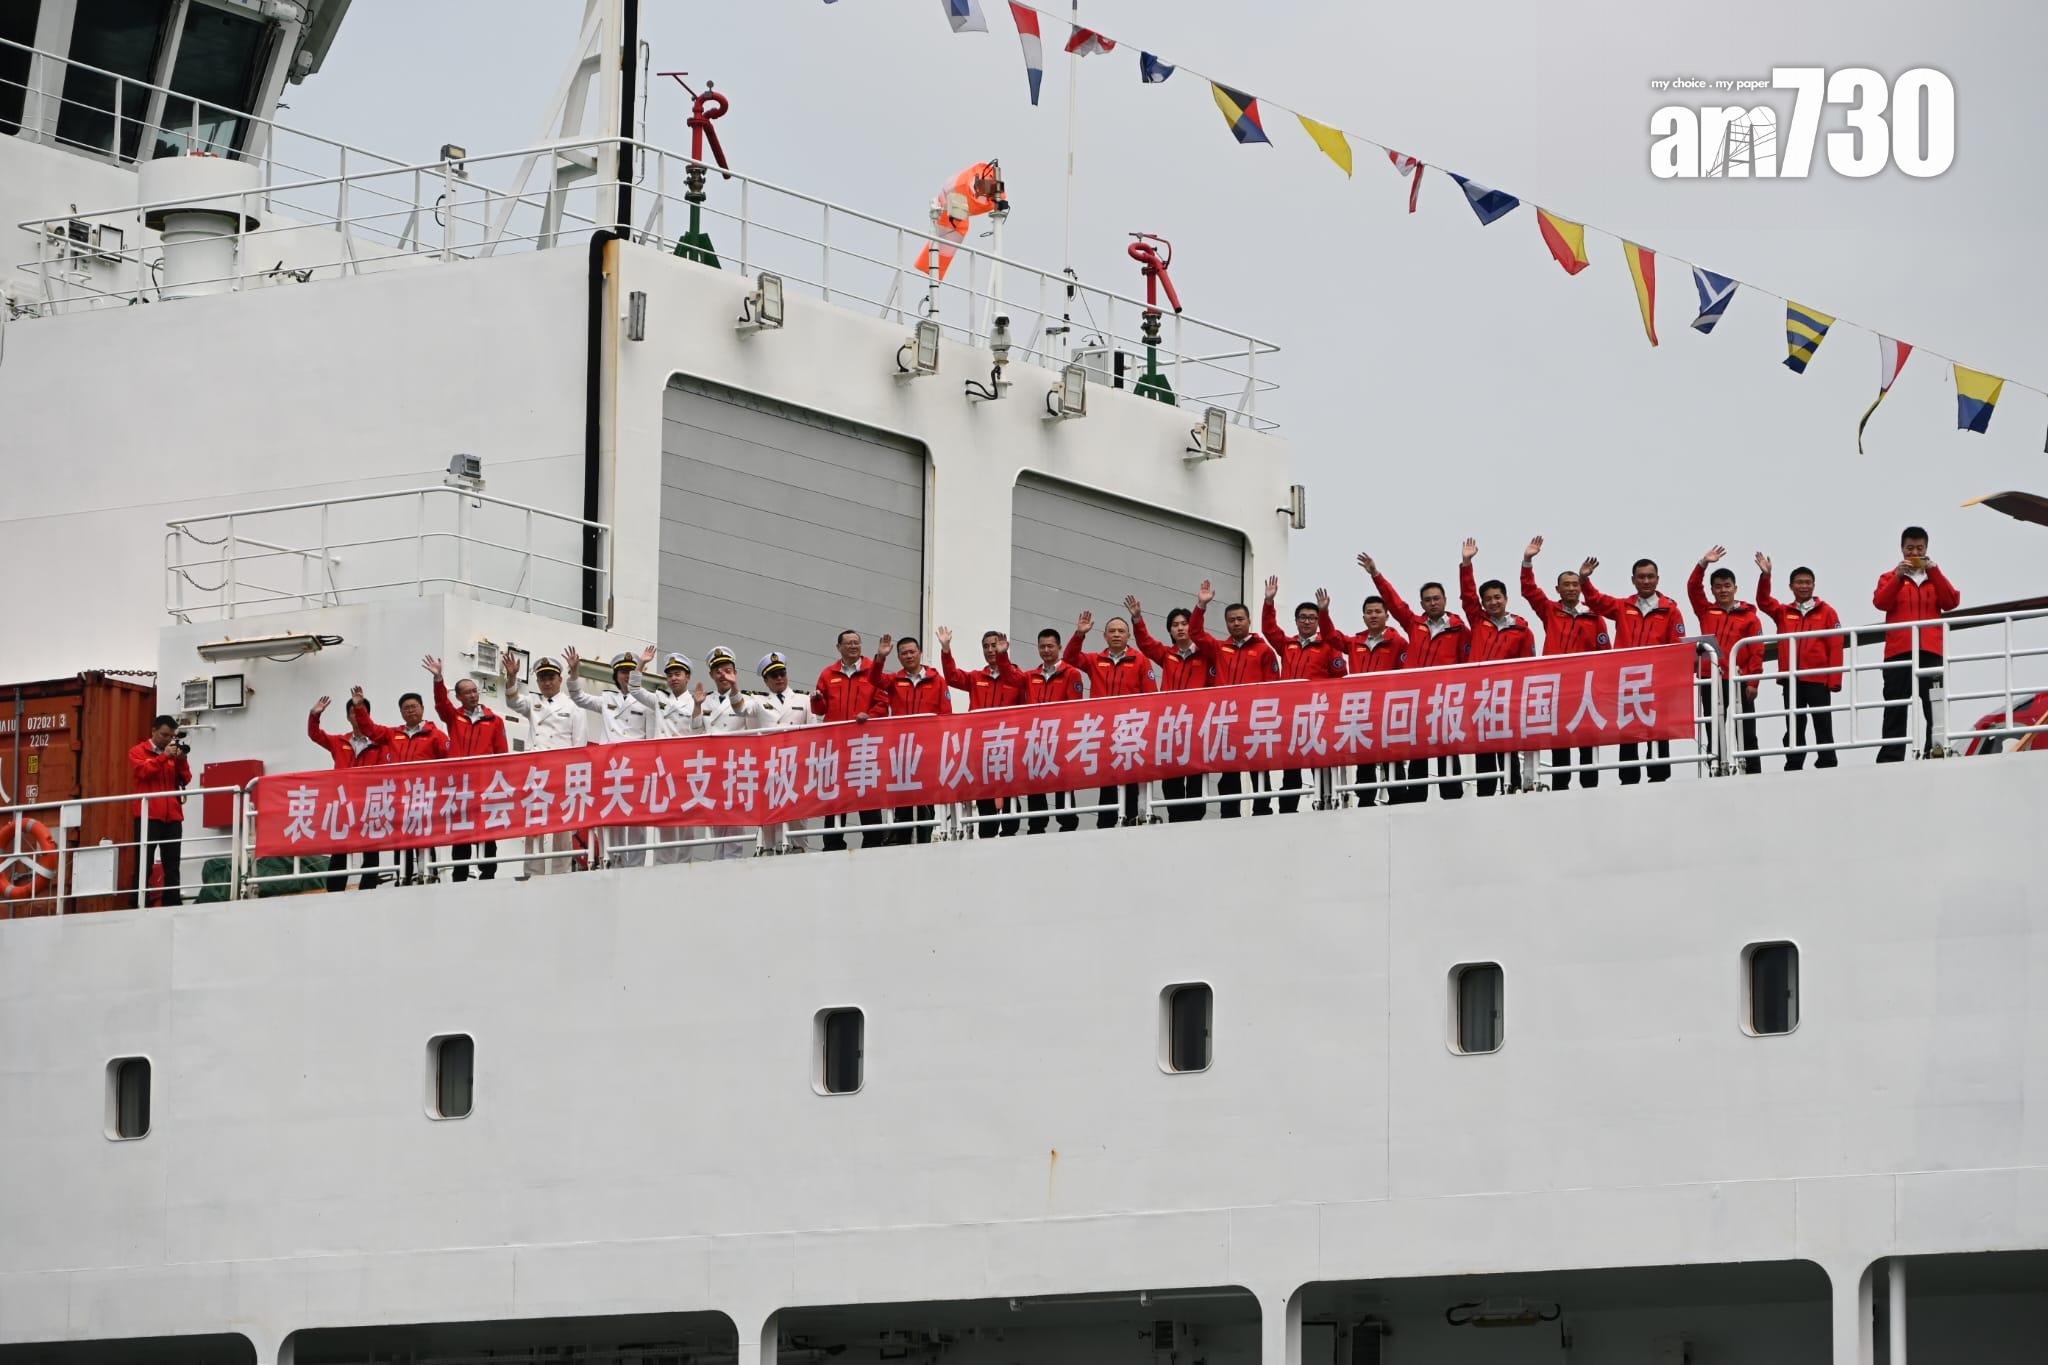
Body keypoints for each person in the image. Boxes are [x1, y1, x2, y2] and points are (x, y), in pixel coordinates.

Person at [1363, 551, 1471, 802]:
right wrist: (1376, 574)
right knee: (1416, 748)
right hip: (1417, 700)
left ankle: (1452, 795)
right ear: (1422, 604)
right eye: (1427, 600)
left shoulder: (1459, 630)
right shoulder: (1414, 625)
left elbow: (1466, 664)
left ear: (1445, 600)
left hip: (1445, 700)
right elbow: (1395, 603)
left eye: (1436, 598)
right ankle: (1416, 797)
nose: (1432, 603)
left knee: (1447, 748)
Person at [1578, 556, 1687, 783]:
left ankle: (1659, 777)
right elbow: (1596, 601)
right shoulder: (1622, 606)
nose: (1646, 581)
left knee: (1658, 730)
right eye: (1641, 577)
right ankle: (1628, 779)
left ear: (1658, 579)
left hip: (1657, 683)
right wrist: (1585, 580)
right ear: (1633, 580)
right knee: (1628, 730)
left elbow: (1676, 648)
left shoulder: (1670, 610)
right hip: (1627, 681)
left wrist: (1673, 683)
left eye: (1650, 577)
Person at [1520, 537, 1609, 790]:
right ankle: (1560, 787)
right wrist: (1527, 561)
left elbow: (1606, 654)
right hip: (1557, 688)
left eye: (1575, 584)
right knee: (1560, 738)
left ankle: (1589, 787)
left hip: (1586, 689)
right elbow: (1529, 591)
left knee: (1587, 740)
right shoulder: (1550, 611)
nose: (1571, 588)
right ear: (1557, 589)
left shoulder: (1594, 617)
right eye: (1566, 585)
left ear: (1581, 588)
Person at [1188, 586, 1282, 816]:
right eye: (1231, 620)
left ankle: (1262, 811)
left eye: (1240, 619)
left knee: (1259, 769)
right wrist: (1201, 605)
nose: (1236, 623)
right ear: (1226, 624)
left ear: (1249, 621)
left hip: (1254, 720)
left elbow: (1273, 687)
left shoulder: (1264, 650)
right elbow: (1196, 633)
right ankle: (1229, 813)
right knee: (1229, 771)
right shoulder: (1220, 649)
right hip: (1226, 721)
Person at [1874, 525, 1960, 763]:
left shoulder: (1934, 579)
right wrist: (1898, 577)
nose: (1914, 553)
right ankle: (1891, 756)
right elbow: (1881, 602)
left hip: (1930, 650)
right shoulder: (1888, 577)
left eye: (1919, 548)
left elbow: (1951, 601)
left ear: (1926, 548)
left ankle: (1934, 750)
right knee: (1896, 705)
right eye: (1910, 548)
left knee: (1934, 704)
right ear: (1902, 549)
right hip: (1898, 651)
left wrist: (1935, 571)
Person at [1458, 540, 1537, 795]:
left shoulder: (1521, 630)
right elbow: (1467, 596)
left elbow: (1527, 667)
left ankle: (1512, 788)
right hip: (1479, 695)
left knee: (1507, 745)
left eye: (1497, 597)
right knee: (1483, 746)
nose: (1493, 602)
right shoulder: (1478, 620)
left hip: (1506, 696)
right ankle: (1485, 792)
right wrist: (1466, 563)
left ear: (1505, 598)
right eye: (1488, 599)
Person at [1130, 589, 1217, 823]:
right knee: (1171, 774)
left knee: (1196, 774)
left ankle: (1195, 817)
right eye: (1175, 625)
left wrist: (1201, 606)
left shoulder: (1206, 654)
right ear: (1170, 630)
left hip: (1197, 725)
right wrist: (1137, 619)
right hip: (1170, 726)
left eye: (1184, 623)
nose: (1180, 628)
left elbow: (1203, 636)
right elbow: (1146, 643)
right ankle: (1175, 816)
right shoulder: (1167, 655)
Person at [1064, 610, 1157, 827]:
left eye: (1121, 631)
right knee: (1106, 779)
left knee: (1131, 779)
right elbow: (1069, 658)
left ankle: (1132, 821)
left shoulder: (1141, 661)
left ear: (1128, 636)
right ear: (1105, 636)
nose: (1116, 634)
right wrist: (1079, 634)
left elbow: (1151, 696)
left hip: (1131, 730)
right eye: (1112, 631)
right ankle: (1105, 823)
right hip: (1103, 730)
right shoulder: (1095, 660)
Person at [1261, 576, 1347, 811]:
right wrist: (1269, 602)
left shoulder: (1328, 647)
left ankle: (1326, 805)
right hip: (1291, 715)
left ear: (1318, 621)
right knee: (1291, 766)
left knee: (1320, 763)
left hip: (1318, 715)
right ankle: (1288, 809)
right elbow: (1269, 630)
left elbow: (1340, 679)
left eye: (1312, 617)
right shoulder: (1287, 645)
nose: (1307, 621)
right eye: (1303, 617)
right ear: (1296, 621)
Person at [568, 645, 657, 866]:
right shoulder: (607, 699)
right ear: (616, 676)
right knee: (613, 816)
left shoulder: (646, 702)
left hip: (636, 768)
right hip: (611, 768)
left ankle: (636, 864)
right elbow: (578, 697)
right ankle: (614, 861)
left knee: (636, 819)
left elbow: (651, 737)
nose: (627, 676)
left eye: (631, 671)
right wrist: (575, 672)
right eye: (623, 672)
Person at [1317, 588, 1407, 807]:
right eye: (1369, 612)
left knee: (1392, 755)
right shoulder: (1355, 642)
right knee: (1364, 755)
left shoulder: (1398, 643)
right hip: (1361, 710)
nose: (1373, 615)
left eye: (1378, 611)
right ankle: (1365, 800)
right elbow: (1331, 637)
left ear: (1387, 615)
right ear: (1363, 616)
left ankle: (1398, 798)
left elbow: (1406, 675)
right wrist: (1324, 613)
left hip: (1386, 709)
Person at [1755, 553, 1844, 771]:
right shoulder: (1783, 612)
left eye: (1808, 582)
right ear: (1791, 586)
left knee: (1822, 721)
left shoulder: (1828, 612)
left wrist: (1835, 680)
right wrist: (1765, 576)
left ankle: (1827, 761)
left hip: (1818, 678)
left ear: (1814, 585)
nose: (1804, 586)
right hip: (1791, 679)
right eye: (1799, 582)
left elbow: (1835, 646)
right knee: (1794, 724)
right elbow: (1763, 602)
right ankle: (1794, 763)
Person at [427, 655, 510, 881]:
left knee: (487, 832)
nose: (473, 695)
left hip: (485, 786)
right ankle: (460, 876)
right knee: (461, 833)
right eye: (467, 692)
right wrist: (438, 679)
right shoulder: (454, 718)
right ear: (459, 697)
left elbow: (502, 754)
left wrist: (500, 785)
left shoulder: (494, 720)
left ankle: (488, 875)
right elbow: (441, 704)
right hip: (460, 787)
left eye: (475, 691)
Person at [939, 626, 1026, 836]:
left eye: (994, 645)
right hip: (981, 745)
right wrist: (946, 649)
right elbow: (952, 677)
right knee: (984, 790)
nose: (990, 650)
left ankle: (1010, 832)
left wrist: (1004, 657)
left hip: (1008, 744)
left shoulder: (1017, 677)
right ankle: (986, 833)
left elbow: (1018, 689)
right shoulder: (976, 677)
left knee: (1009, 791)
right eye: (986, 646)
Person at [306, 686, 395, 891]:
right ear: (347, 717)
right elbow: (315, 735)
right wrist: (314, 715)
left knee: (370, 850)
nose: (356, 716)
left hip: (369, 803)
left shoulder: (380, 743)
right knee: (339, 849)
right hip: (343, 803)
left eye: (360, 711)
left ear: (367, 715)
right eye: (353, 712)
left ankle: (367, 890)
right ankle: (335, 890)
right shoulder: (339, 742)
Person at [504, 649, 584, 875]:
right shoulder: (532, 701)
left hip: (561, 771)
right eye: (542, 678)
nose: (547, 682)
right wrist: (511, 677)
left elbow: (579, 746)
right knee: (534, 822)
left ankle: (562, 871)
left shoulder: (573, 706)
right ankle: (532, 871)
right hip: (537, 771)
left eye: (551, 677)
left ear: (560, 679)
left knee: (563, 825)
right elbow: (512, 701)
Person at [1686, 547, 1764, 775]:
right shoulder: (1705, 611)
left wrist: (1753, 682)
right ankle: (1717, 769)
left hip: (1739, 679)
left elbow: (1756, 651)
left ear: (1735, 588)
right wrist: (1703, 563)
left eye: (1727, 586)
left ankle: (1753, 770)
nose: (1723, 590)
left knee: (1747, 729)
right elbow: (1692, 587)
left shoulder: (1749, 616)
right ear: (1712, 590)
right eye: (1718, 587)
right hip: (1711, 678)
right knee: (1714, 728)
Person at [868, 634, 951, 844]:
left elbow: (946, 714)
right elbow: (874, 679)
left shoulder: (937, 680)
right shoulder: (894, 680)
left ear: (920, 653)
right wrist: (881, 657)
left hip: (928, 750)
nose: (908, 656)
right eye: (903, 653)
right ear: (898, 657)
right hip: (901, 750)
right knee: (903, 799)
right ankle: (903, 843)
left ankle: (924, 841)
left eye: (912, 652)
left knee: (926, 800)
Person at [811, 629, 889, 850]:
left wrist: (869, 715)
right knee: (835, 796)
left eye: (857, 642)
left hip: (864, 744)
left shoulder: (873, 671)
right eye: (848, 643)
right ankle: (832, 843)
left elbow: (883, 704)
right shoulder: (828, 674)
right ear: (839, 648)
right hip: (836, 746)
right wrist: (816, 700)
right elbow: (820, 709)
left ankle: (873, 842)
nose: (853, 646)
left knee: (867, 793)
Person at [693, 645, 760, 860]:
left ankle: (732, 861)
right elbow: (696, 730)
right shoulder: (705, 699)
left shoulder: (747, 700)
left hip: (735, 766)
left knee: (734, 818)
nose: (723, 675)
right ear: (711, 674)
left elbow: (751, 727)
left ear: (735, 673)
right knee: (717, 818)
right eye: (718, 671)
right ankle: (719, 860)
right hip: (712, 766)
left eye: (728, 670)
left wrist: (734, 687)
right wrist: (697, 706)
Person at [638, 651, 702, 864]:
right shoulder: (659, 698)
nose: (673, 678)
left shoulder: (695, 701)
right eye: (670, 675)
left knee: (685, 817)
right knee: (664, 816)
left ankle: (685, 862)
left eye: (678, 674)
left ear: (687, 677)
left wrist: (698, 706)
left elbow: (698, 730)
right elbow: (634, 689)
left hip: (684, 767)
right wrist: (642, 663)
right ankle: (663, 863)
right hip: (662, 767)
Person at [1020, 627, 1085, 833]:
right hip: (1036, 738)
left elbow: (1074, 707)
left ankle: (1067, 824)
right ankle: (1036, 826)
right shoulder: (1030, 676)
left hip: (1060, 738)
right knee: (1035, 783)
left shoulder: (1071, 673)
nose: (1046, 650)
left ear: (1059, 647)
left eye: (1050, 646)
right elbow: (1010, 678)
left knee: (1063, 782)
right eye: (1042, 646)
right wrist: (1003, 655)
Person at [749, 651, 815, 853]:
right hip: (769, 763)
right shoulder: (757, 701)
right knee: (769, 810)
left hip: (796, 762)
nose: (779, 678)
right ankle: (768, 849)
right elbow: (748, 722)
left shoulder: (804, 699)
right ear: (766, 680)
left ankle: (799, 848)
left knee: (797, 811)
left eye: (782, 673)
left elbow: (813, 732)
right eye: (774, 675)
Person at [389, 684, 451, 884]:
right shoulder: (393, 735)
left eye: (414, 706)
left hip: (425, 794)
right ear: (401, 712)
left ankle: (428, 874)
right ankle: (403, 876)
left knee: (425, 836)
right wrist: (359, 708)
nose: (410, 710)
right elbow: (371, 730)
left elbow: (449, 761)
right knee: (402, 837)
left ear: (422, 708)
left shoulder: (436, 734)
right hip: (401, 796)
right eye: (406, 708)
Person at [128, 715, 191, 907]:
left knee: (172, 863)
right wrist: (165, 757)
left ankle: (172, 901)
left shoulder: (171, 755)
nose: (168, 739)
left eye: (171, 736)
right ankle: (138, 901)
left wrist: (181, 760)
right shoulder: (138, 751)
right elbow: (143, 772)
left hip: (172, 815)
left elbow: (186, 778)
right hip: (148, 815)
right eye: (164, 735)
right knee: (144, 861)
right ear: (153, 731)